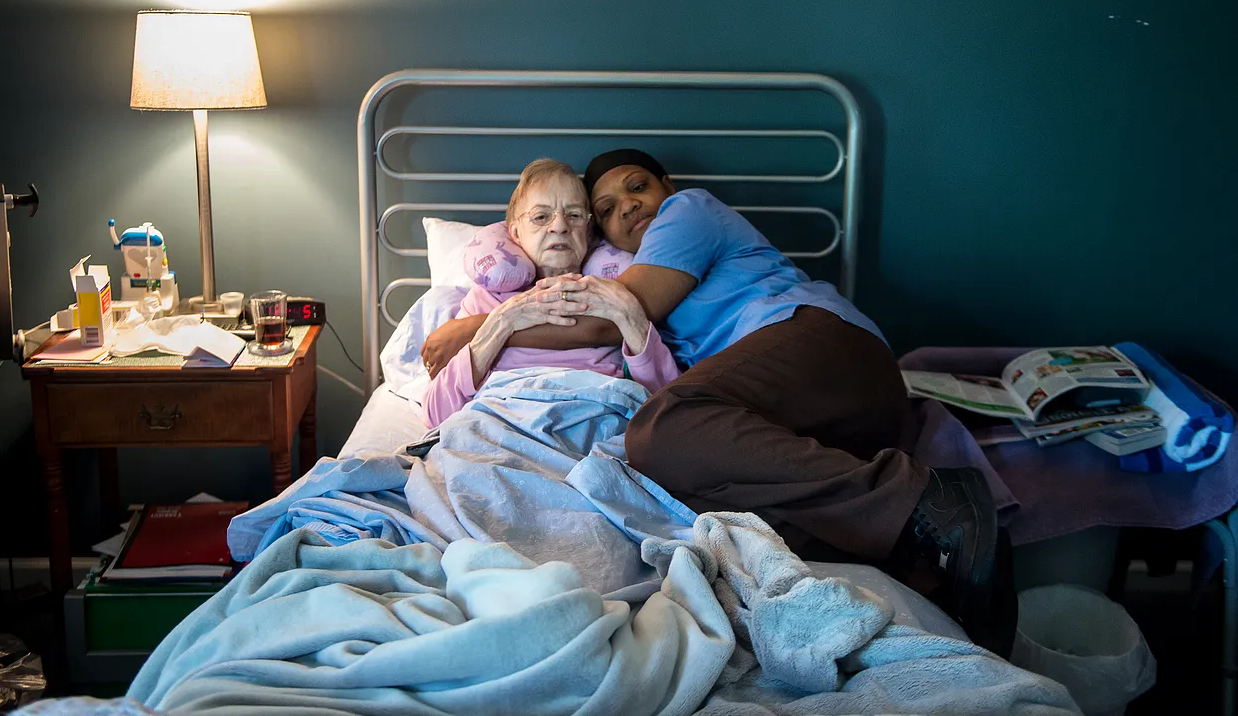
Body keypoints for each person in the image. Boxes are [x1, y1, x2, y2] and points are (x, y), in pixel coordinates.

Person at [423, 149, 1014, 652]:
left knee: (662, 429)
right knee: (709, 514)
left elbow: (612, 320)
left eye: (638, 187)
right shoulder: (618, 269)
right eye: (605, 209)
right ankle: (930, 573)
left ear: (667, 190)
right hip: (805, 411)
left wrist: (478, 328)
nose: (626, 206)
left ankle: (928, 502)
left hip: (821, 345)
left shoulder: (688, 213)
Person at [421, 158, 680, 428]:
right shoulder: (486, 300)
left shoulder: (613, 298)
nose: (559, 226)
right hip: (501, 424)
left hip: (594, 426)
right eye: (541, 216)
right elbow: (435, 414)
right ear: (516, 234)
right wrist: (500, 324)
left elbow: (667, 406)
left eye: (574, 215)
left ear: (589, 232)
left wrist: (629, 314)